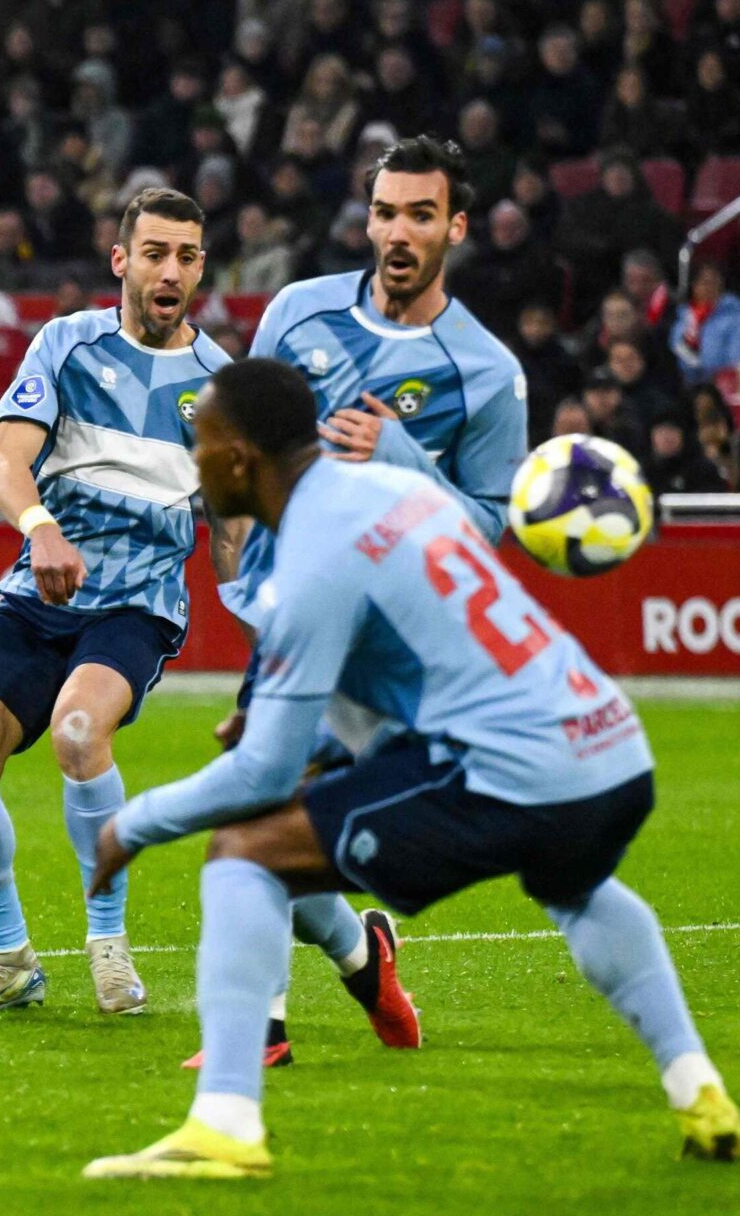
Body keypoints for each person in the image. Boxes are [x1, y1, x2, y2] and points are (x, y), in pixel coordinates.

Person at [83, 358, 740, 1179]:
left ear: (241, 459)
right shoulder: (403, 493)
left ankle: (224, 1127)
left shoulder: (313, 556)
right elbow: (423, 657)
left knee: (245, 852)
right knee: (577, 887)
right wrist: (322, 732)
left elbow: (259, 774)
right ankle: (699, 1089)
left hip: (508, 770)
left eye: (202, 444)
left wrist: (131, 824)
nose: (196, 462)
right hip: (610, 748)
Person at [219, 135, 525, 1067]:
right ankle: (364, 955)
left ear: (455, 227)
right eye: (385, 211)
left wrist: (406, 461)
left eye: (420, 215)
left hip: (384, 639)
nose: (398, 231)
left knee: (259, 813)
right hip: (291, 612)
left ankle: (259, 1035)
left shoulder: (486, 370)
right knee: (263, 817)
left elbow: (491, 527)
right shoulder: (296, 314)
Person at [0, 187, 240, 1017]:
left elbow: (235, 526)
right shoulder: (65, 344)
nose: (168, 270)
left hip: (137, 599)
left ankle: (108, 946)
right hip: (41, 587)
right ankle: (10, 962)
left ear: (200, 268)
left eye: (185, 256)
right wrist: (40, 528)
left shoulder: (220, 385)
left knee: (77, 728)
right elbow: (4, 464)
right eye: (153, 253)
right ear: (122, 261)